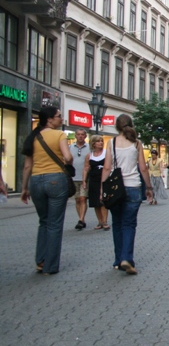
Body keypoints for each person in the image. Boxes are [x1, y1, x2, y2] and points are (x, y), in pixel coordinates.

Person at [21, 106, 73, 275]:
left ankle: (40, 261)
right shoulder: (59, 135)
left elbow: (27, 165)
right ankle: (51, 266)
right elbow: (68, 157)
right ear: (49, 119)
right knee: (55, 224)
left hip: (36, 181)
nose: (61, 119)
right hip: (55, 180)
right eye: (59, 116)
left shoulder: (33, 137)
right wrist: (69, 164)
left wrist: (23, 187)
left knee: (43, 221)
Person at [101, 114, 152, 275]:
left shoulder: (112, 142)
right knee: (129, 224)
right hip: (133, 187)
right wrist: (149, 187)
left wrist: (103, 189)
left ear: (117, 126)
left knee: (117, 223)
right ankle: (127, 259)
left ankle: (118, 260)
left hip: (116, 189)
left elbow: (107, 168)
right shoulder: (136, 143)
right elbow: (143, 168)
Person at [84, 135, 109, 230]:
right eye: (98, 141)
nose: (101, 143)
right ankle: (100, 222)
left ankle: (105, 221)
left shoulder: (106, 153)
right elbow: (86, 168)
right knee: (95, 201)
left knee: (103, 200)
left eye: (101, 141)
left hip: (104, 178)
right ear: (93, 143)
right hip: (93, 179)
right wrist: (84, 181)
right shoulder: (89, 155)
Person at [69, 129, 90, 230]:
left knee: (83, 198)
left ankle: (81, 220)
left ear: (85, 136)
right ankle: (82, 218)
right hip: (73, 177)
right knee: (77, 199)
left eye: (82, 134)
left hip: (84, 178)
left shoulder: (89, 148)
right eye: (78, 134)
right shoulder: (70, 147)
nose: (80, 136)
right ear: (75, 136)